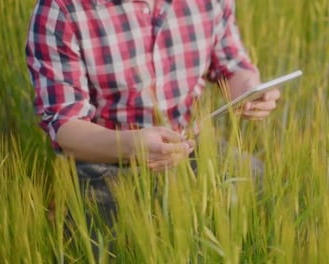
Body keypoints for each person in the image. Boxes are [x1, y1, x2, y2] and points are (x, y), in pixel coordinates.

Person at [26, 0, 279, 240]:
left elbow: (233, 65)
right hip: (105, 159)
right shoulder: (59, 8)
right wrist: (133, 145)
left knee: (264, 190)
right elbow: (66, 125)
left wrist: (250, 90)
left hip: (190, 144)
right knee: (113, 245)